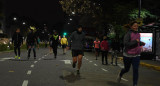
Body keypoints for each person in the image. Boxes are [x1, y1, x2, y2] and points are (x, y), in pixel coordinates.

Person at [117, 21, 145, 86]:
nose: (136, 27)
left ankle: (135, 84)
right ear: (131, 27)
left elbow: (137, 42)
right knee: (126, 69)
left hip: (136, 55)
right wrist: (136, 41)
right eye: (135, 26)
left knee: (135, 69)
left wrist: (141, 43)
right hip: (128, 54)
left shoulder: (138, 34)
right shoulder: (128, 34)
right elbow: (126, 44)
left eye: (137, 26)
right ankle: (121, 74)